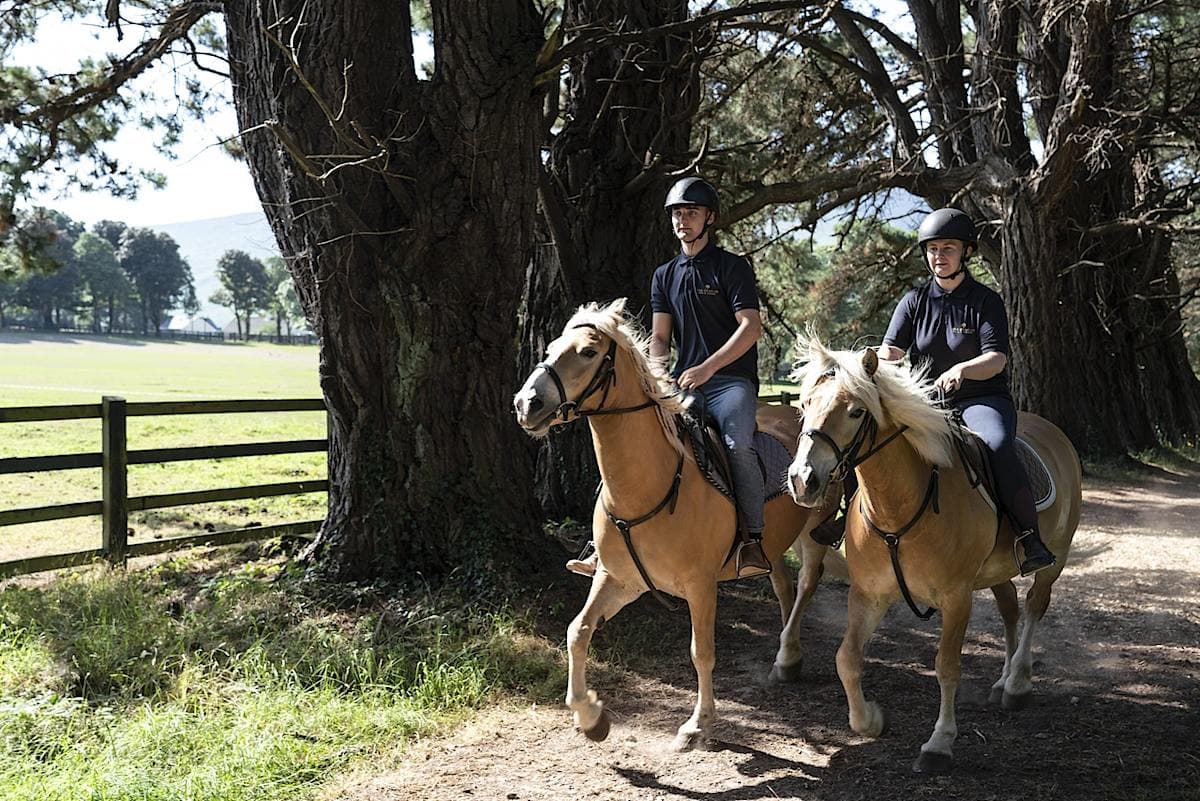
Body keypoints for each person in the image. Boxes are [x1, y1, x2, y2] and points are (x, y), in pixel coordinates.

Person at [568, 176, 772, 579]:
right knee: (637, 441)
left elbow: (750, 328)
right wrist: (656, 374)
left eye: (692, 212)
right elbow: (660, 337)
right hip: (684, 384)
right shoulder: (664, 275)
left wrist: (708, 367)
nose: (683, 220)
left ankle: (752, 540)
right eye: (678, 213)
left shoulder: (732, 268)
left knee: (737, 445)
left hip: (731, 383)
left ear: (709, 218)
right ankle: (599, 543)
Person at [876, 208, 1056, 575]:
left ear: (966, 252)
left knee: (997, 446)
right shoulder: (914, 301)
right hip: (926, 402)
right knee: (871, 438)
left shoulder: (986, 301)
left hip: (981, 400)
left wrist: (962, 369)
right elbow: (891, 350)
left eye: (948, 248)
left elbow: (996, 359)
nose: (939, 256)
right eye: (933, 249)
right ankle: (849, 524)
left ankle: (1028, 537)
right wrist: (880, 362)